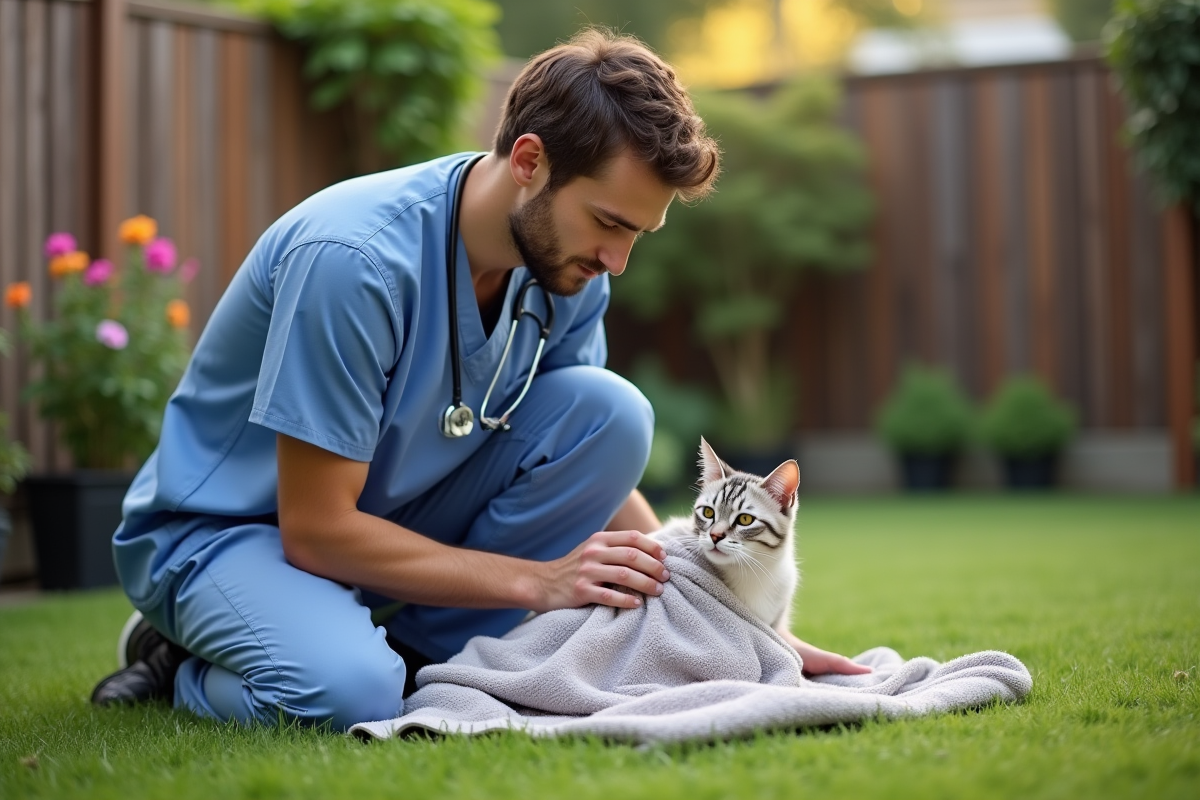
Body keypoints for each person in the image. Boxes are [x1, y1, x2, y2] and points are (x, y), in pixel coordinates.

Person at [91, 29, 869, 730]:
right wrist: (540, 583)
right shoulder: (354, 262)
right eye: (608, 222)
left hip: (387, 524)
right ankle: (182, 658)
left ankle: (390, 644)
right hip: (230, 535)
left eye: (639, 234)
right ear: (530, 161)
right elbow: (316, 527)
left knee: (617, 414)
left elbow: (594, 456)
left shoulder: (566, 272)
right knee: (357, 693)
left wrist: (750, 628)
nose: (618, 261)